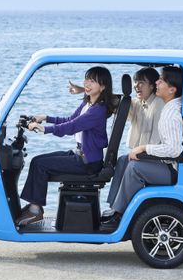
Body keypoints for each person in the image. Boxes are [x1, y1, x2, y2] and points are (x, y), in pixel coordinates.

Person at [17, 66, 113, 227]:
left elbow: (71, 127)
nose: (87, 84)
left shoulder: (97, 110)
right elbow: (69, 120)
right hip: (80, 154)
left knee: (40, 165)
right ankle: (34, 206)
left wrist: (44, 129)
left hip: (88, 162)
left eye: (92, 81)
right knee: (37, 160)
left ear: (103, 86)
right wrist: (45, 117)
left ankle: (35, 210)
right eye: (87, 79)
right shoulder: (88, 103)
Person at [101, 66, 183, 226]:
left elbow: (174, 150)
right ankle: (114, 208)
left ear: (172, 89)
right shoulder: (167, 103)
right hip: (164, 161)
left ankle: (120, 214)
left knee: (134, 167)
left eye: (160, 81)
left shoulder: (167, 110)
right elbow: (124, 104)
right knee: (124, 160)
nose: (157, 82)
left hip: (170, 167)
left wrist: (144, 148)